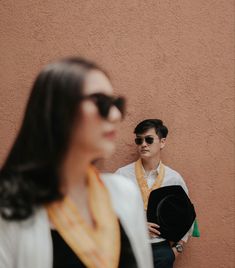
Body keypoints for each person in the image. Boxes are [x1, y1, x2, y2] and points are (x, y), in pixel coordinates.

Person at [0, 58, 153, 268]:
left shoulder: (124, 194)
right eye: (101, 102)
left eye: (117, 104)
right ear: (58, 111)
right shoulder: (10, 208)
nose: (116, 115)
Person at [115, 119, 193, 268]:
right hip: (129, 248)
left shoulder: (174, 179)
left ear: (162, 142)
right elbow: (108, 213)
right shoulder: (121, 175)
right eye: (139, 140)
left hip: (161, 252)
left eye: (149, 139)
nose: (143, 144)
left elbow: (188, 217)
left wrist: (176, 250)